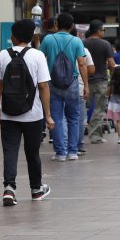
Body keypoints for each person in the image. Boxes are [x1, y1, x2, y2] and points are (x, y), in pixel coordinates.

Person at [0, 19, 55, 206]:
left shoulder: (3, 55)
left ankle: (9, 189)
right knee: (32, 152)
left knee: (10, 151)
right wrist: (48, 114)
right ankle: (36, 189)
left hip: (8, 113)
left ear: (14, 36)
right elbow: (43, 86)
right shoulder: (37, 55)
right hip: (33, 114)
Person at [39, 12, 89, 160]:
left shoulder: (48, 39)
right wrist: (86, 85)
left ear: (56, 24)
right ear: (72, 26)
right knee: (74, 117)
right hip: (72, 83)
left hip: (52, 83)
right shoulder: (76, 41)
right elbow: (82, 63)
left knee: (56, 117)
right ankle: (73, 152)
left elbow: (40, 58)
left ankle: (60, 152)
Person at [84, 20, 115, 145]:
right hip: (101, 81)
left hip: (85, 81)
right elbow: (112, 65)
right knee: (99, 109)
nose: (103, 32)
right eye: (103, 30)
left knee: (82, 109)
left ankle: (77, 137)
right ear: (98, 31)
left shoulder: (82, 43)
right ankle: (95, 136)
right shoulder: (105, 44)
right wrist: (112, 79)